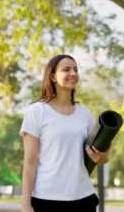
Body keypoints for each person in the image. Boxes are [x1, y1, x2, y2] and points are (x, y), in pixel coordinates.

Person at [19, 54, 111, 212]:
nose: (73, 73)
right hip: (46, 200)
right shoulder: (36, 112)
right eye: (66, 69)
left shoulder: (85, 114)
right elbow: (30, 162)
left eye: (75, 69)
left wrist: (102, 157)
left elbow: (104, 153)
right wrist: (26, 204)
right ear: (53, 76)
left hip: (83, 199)